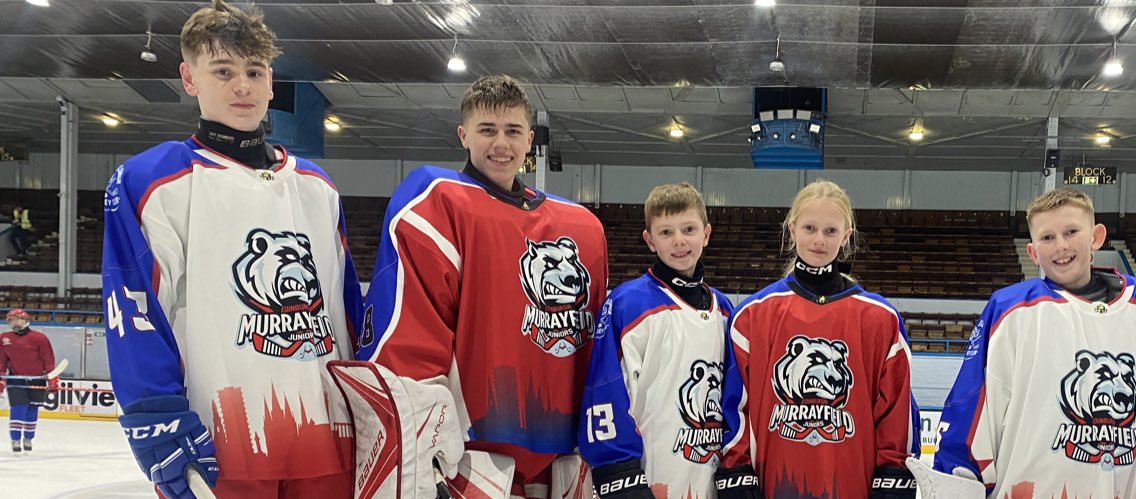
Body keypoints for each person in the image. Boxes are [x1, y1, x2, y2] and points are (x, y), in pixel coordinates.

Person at [100, 0, 363, 496]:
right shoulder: (150, 181)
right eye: (223, 70)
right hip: (220, 447)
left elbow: (345, 307)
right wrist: (159, 421)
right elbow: (133, 312)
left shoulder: (316, 184)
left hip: (331, 443)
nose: (242, 85)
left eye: (254, 71)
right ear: (189, 77)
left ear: (270, 82)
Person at [357, 74, 608, 499]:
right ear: (463, 135)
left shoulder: (580, 227)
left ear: (530, 139)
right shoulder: (436, 201)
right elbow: (412, 337)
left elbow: (592, 346)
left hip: (556, 459)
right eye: (487, 131)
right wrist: (422, 448)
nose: (501, 145)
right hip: (467, 458)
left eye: (512, 132)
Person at [931, 187, 1136, 499]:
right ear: (1033, 252)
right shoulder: (1011, 310)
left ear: (1096, 237)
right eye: (1047, 238)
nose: (1061, 246)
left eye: (1071, 231)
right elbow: (971, 409)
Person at [717, 179, 920, 499]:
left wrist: (893, 477)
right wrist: (736, 472)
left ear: (846, 236)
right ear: (792, 228)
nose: (819, 240)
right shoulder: (753, 315)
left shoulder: (880, 318)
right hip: (774, 485)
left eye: (830, 231)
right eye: (810, 228)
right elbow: (733, 404)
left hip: (854, 485)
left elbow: (896, 413)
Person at [578, 182, 734, 499]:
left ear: (705, 234)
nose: (679, 241)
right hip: (645, 478)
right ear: (649, 240)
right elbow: (604, 389)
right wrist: (619, 474)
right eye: (665, 233)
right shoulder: (626, 303)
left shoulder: (726, 311)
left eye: (688, 229)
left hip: (708, 476)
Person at [1, 309, 58, 454]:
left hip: (37, 380)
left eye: (17, 319)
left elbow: (48, 361)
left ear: (25, 320)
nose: (14, 323)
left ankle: (28, 438)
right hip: (16, 379)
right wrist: (1, 380)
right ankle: (15, 439)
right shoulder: (4, 338)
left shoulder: (39, 338)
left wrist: (52, 380)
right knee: (18, 408)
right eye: (11, 320)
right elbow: (1, 362)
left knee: (32, 410)